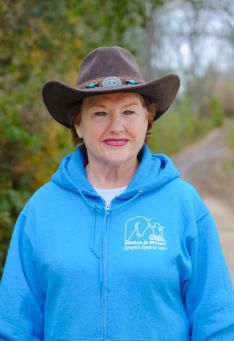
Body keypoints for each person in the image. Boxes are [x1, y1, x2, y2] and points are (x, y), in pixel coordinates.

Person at [0, 46, 233, 340]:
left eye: (129, 112)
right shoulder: (40, 211)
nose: (116, 127)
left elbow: (218, 322)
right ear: (78, 123)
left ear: (147, 118)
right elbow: (13, 328)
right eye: (100, 113)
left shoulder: (184, 205)